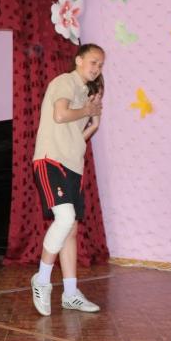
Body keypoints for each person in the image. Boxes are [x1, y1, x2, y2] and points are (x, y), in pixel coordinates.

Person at [30, 43, 104, 317]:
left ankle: (71, 294)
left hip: (72, 164)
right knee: (64, 218)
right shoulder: (65, 81)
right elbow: (60, 115)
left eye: (101, 65)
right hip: (51, 160)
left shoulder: (84, 93)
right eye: (93, 62)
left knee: (70, 228)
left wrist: (94, 120)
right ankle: (42, 279)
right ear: (79, 60)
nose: (97, 68)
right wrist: (87, 110)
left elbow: (79, 134)